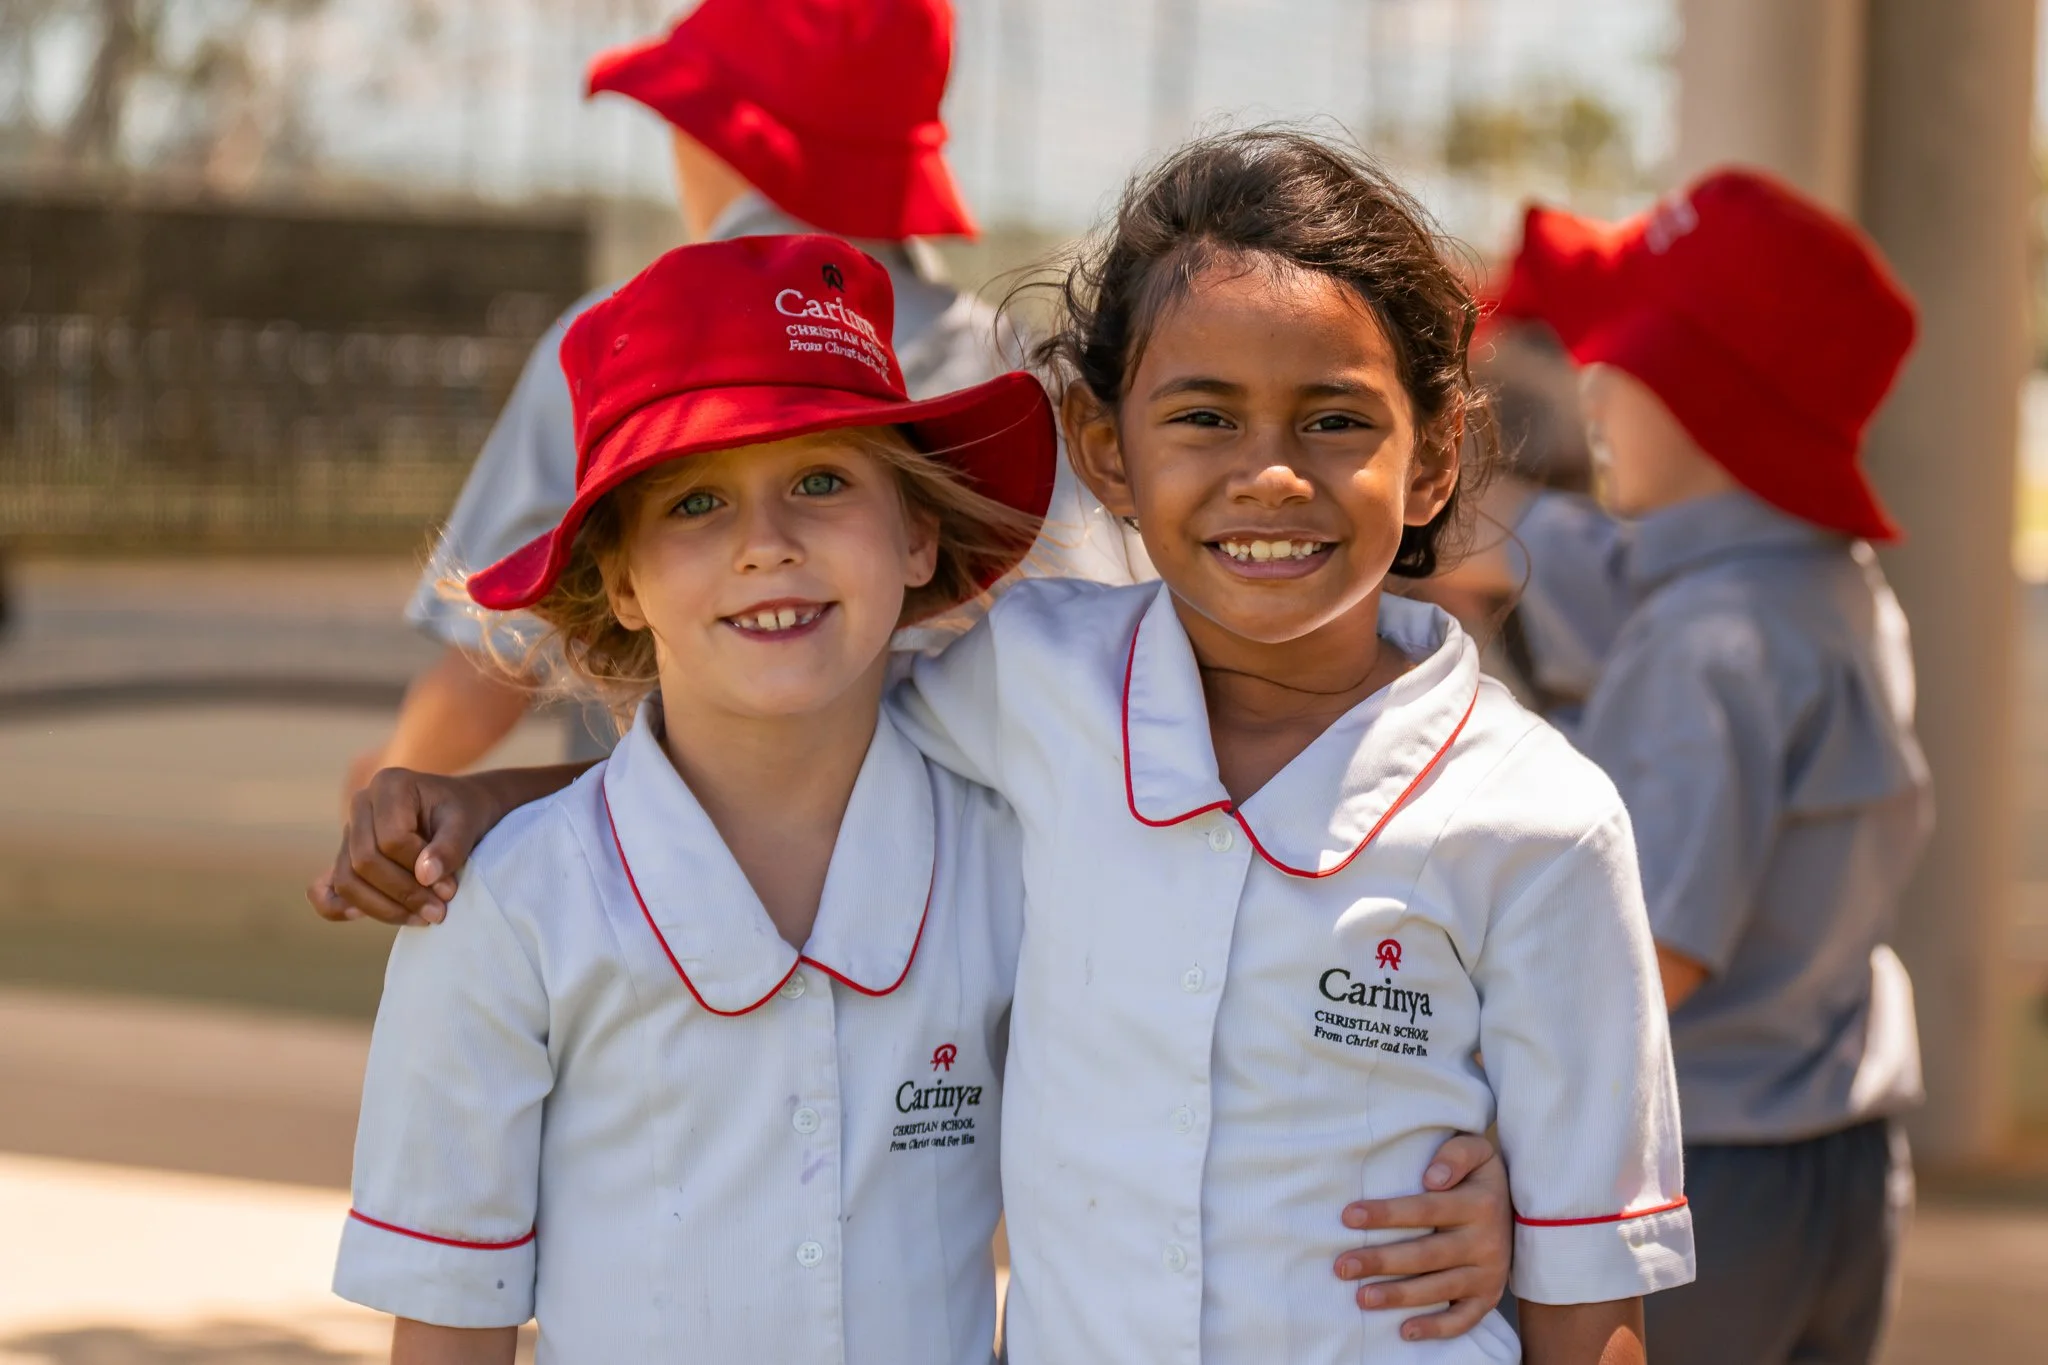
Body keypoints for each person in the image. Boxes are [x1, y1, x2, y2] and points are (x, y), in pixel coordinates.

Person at [319, 130, 1693, 1364]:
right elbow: (765, 745)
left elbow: (1594, 1286)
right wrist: (486, 803)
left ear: (1437, 456)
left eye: (1335, 420)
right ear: (1105, 451)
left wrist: (1520, 1202)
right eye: (1204, 414)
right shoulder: (1028, 688)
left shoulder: (1543, 820)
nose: (1271, 473)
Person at [335, 235, 1058, 1361]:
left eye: (821, 481)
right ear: (619, 581)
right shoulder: (505, 907)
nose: (766, 547)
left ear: (917, 533)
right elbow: (449, 1322)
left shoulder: (1022, 860)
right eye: (694, 503)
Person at [346, 0, 1143, 796]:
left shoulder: (624, 344)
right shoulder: (1019, 365)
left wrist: (392, 778)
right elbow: (1105, 663)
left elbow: (495, 657)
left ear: (725, 134)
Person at [1493, 169, 1932, 1365]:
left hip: (1705, 1177)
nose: (1592, 389)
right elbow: (1606, 567)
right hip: (1835, 1155)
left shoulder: (1702, 644)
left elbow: (1654, 954)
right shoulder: (1828, 590)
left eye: (1624, 365)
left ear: (1703, 404)